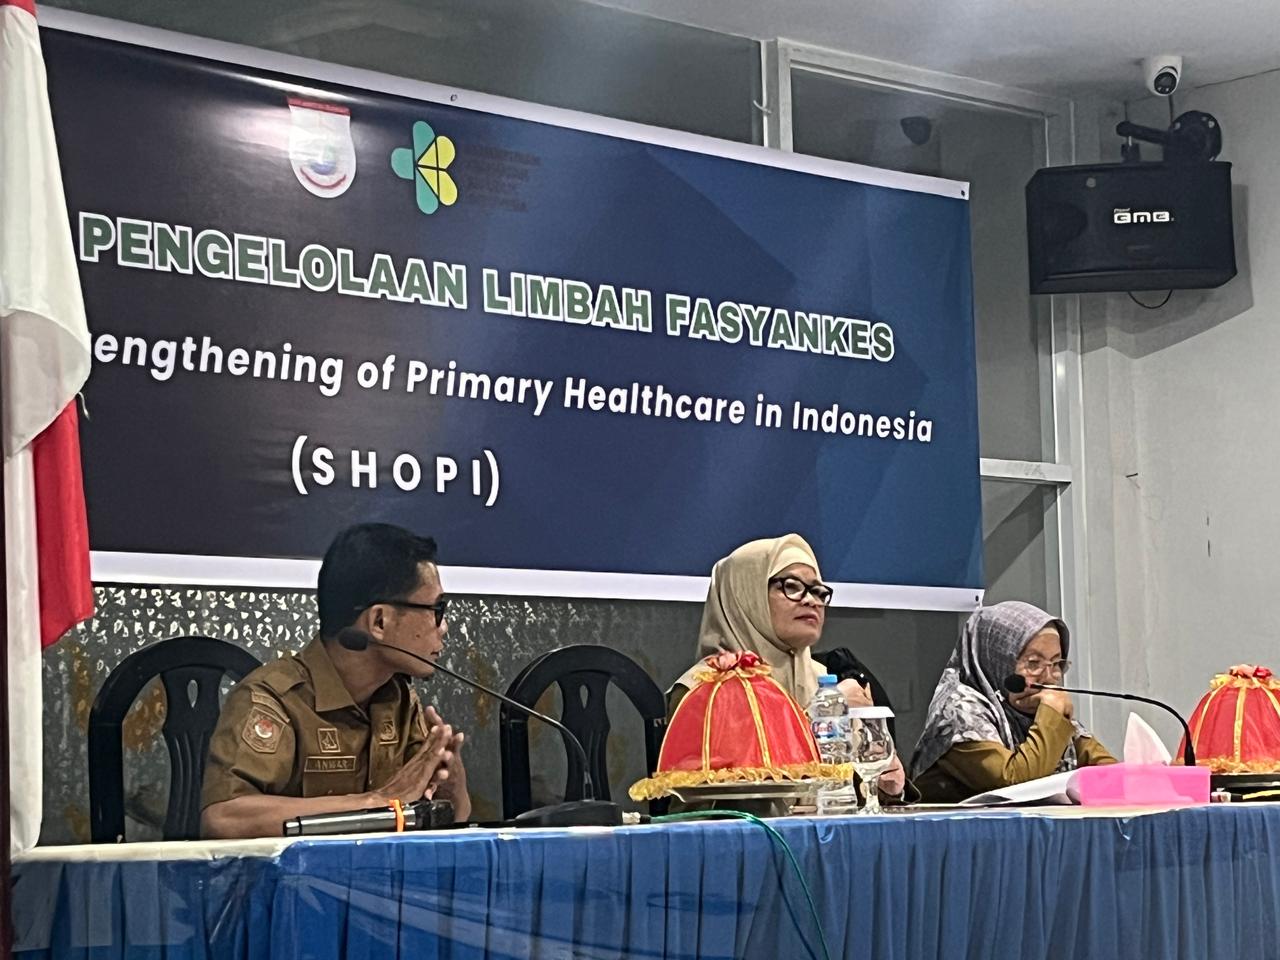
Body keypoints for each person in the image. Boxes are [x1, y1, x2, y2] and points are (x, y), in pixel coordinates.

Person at [200, 523, 470, 839]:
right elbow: (223, 820)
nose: (444, 626)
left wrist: (451, 783)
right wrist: (375, 803)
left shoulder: (398, 698)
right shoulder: (273, 699)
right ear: (379, 621)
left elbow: (456, 820)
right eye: (436, 609)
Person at [668, 533, 909, 803]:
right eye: (792, 586)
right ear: (747, 594)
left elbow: (846, 795)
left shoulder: (823, 681)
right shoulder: (704, 690)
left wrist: (885, 784)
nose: (811, 601)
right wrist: (815, 719)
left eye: (818, 591)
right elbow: (733, 797)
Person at [910, 600, 1117, 802]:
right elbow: (1016, 785)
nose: (1048, 678)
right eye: (1033, 663)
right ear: (996, 661)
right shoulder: (958, 710)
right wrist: (1052, 716)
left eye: (1056, 664)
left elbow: (1114, 778)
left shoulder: (1041, 709)